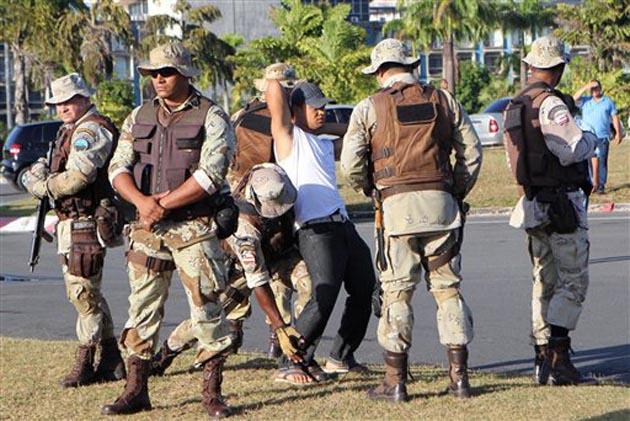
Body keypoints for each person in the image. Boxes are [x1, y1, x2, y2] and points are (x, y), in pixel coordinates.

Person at [103, 42, 300, 417]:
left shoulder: (212, 116)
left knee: (207, 310)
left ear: (186, 74)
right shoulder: (139, 115)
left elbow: (210, 176)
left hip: (194, 226)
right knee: (142, 308)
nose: (159, 79)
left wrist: (160, 204)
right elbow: (118, 167)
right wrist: (143, 203)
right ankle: (136, 389)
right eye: (154, 73)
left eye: (167, 72)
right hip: (148, 227)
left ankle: (212, 394)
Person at [341, 38, 482, 402]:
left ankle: (396, 381)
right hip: (442, 207)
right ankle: (460, 379)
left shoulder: (369, 107)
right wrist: (456, 191)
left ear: (380, 71)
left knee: (397, 292)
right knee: (448, 290)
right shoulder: (443, 99)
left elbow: (351, 163)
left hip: (396, 210)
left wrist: (372, 190)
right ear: (411, 66)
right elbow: (472, 151)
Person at [265, 79, 377, 384]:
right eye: (316, 107)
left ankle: (341, 356)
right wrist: (293, 92)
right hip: (314, 229)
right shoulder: (288, 138)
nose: (323, 112)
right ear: (296, 109)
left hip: (342, 224)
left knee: (365, 286)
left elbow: (355, 132)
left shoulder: (323, 143)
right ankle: (293, 360)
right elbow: (273, 89)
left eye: (325, 107)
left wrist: (322, 126)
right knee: (323, 293)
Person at [150, 163, 309, 376]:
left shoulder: (272, 174)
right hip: (242, 270)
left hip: (281, 255)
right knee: (208, 317)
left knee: (310, 286)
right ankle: (166, 354)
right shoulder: (245, 227)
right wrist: (279, 326)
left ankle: (303, 353)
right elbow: (257, 281)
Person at [504, 36, 598, 386]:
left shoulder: (515, 104)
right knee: (571, 280)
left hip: (532, 202)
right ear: (557, 68)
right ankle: (559, 359)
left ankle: (542, 357)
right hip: (561, 204)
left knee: (543, 281)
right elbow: (571, 149)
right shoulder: (551, 104)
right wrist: (592, 138)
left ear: (532, 66)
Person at [23, 73, 126, 388]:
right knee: (86, 292)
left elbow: (77, 178)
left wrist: (41, 185)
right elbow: (55, 166)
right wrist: (39, 171)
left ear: (83, 98)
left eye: (69, 100)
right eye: (58, 103)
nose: (62, 108)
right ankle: (111, 359)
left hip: (86, 220)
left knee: (82, 293)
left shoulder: (91, 129)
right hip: (72, 220)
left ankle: (86, 359)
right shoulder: (71, 129)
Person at [227, 62, 307, 359]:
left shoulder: (241, 115)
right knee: (278, 265)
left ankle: (234, 328)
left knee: (240, 269)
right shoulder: (282, 120)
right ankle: (279, 334)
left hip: (239, 199)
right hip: (272, 199)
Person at [573, 80, 622, 194]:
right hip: (587, 136)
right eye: (592, 88)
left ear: (600, 88)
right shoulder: (585, 100)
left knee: (602, 160)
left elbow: (614, 117)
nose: (594, 90)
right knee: (589, 161)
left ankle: (601, 185)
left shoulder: (608, 102)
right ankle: (591, 183)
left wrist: (618, 133)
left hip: (602, 136)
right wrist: (586, 86)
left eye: (596, 87)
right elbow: (573, 98)